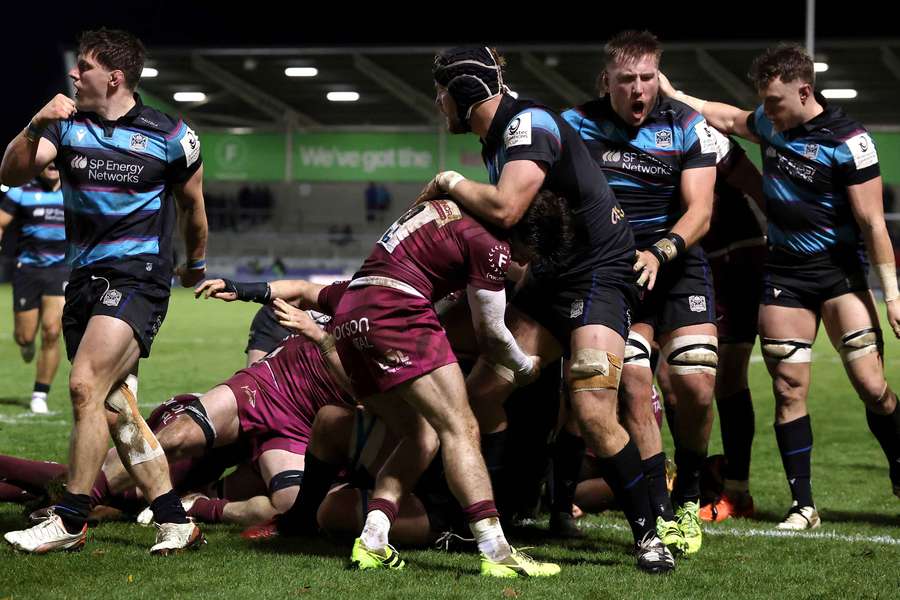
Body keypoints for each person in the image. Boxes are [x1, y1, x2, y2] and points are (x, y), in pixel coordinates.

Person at [420, 45, 674, 573]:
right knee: (479, 397)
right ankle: (492, 519)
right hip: (548, 281)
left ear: (465, 94)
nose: (437, 102)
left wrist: (449, 183)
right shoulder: (499, 138)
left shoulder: (527, 125)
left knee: (592, 412)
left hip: (601, 277)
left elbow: (507, 206)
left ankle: (651, 536)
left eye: (442, 93)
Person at [660, 42, 900, 529]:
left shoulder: (849, 140)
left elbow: (874, 224)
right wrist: (674, 92)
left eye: (774, 101)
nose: (766, 112)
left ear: (805, 90)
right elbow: (725, 118)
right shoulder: (771, 124)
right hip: (785, 277)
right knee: (789, 387)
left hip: (840, 276)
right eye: (763, 102)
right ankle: (803, 505)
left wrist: (893, 294)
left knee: (872, 387)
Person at [1, 28, 209, 554]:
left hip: (138, 277)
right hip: (84, 280)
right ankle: (174, 519)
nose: (74, 75)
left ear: (114, 77)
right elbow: (9, 171)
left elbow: (193, 209)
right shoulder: (66, 126)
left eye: (84, 67)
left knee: (84, 384)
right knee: (116, 407)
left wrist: (195, 264)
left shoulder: (171, 135)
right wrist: (35, 123)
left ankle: (70, 518)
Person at [0, 162, 68, 413]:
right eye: (47, 160)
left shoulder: (75, 191)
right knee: (25, 336)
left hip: (61, 269)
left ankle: (40, 393)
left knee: (52, 331)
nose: (52, 164)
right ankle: (26, 344)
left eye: (56, 159)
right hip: (27, 270)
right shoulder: (20, 191)